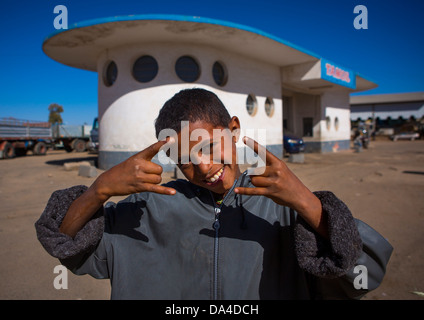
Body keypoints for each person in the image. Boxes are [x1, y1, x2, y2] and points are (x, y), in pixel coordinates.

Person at [35, 88, 391, 299]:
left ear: (233, 130)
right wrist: (98, 191)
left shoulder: (283, 212)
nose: (202, 167)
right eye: (185, 159)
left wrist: (307, 203)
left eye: (207, 146)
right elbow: (66, 244)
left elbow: (366, 274)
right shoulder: (144, 210)